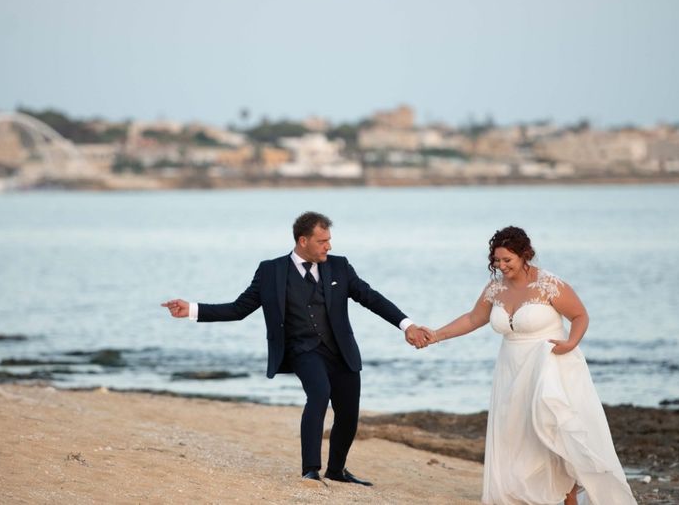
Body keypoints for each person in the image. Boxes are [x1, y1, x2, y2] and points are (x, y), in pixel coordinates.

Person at [162, 211, 430, 486]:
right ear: (303, 241)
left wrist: (406, 325)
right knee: (319, 394)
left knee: (348, 413)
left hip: (341, 350)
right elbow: (239, 309)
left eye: (329, 240)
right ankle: (310, 470)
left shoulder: (339, 267)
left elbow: (370, 298)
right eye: (322, 240)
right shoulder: (271, 271)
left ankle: (336, 471)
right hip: (303, 351)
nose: (329, 246)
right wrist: (192, 309)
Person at [416, 226, 636, 505]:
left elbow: (580, 315)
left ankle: (570, 498)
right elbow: (473, 319)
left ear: (525, 255)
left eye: (508, 260)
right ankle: (523, 496)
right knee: (516, 435)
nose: (502, 266)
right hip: (510, 369)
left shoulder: (549, 284)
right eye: (497, 260)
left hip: (549, 366)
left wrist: (571, 343)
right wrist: (435, 335)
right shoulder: (495, 288)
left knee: (555, 430)